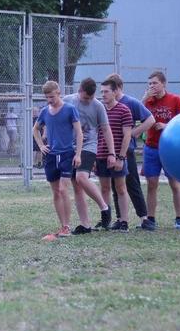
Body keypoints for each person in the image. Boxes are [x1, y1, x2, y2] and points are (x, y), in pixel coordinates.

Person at [33, 81, 83, 241]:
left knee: (63, 189)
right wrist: (41, 145)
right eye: (47, 97)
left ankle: (67, 226)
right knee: (55, 192)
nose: (50, 100)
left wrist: (78, 154)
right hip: (51, 156)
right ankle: (62, 225)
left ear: (59, 92)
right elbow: (35, 129)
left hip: (67, 154)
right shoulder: (44, 112)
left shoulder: (70, 109)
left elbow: (79, 133)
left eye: (52, 96)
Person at [64, 78, 114, 234]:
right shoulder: (68, 101)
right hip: (70, 147)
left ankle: (104, 208)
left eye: (91, 98)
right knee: (77, 187)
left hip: (89, 146)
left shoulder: (98, 106)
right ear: (79, 91)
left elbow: (106, 130)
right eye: (85, 98)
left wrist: (112, 153)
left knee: (81, 177)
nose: (88, 101)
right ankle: (85, 225)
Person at [106, 74, 154, 228]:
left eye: (112, 90)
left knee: (132, 183)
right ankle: (121, 219)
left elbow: (150, 119)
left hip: (127, 150)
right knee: (116, 185)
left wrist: (134, 132)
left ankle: (144, 218)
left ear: (118, 88)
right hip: (111, 151)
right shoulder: (107, 105)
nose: (107, 94)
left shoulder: (130, 102)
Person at [141, 71, 180, 230]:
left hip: (170, 149)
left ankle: (179, 218)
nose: (152, 86)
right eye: (150, 84)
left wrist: (167, 126)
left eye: (154, 83)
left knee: (174, 183)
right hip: (151, 147)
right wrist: (144, 98)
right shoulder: (148, 102)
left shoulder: (175, 100)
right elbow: (135, 114)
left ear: (163, 84)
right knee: (151, 183)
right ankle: (151, 218)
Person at [97, 78, 134, 232]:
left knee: (121, 188)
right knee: (104, 188)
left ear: (115, 92)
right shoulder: (99, 110)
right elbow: (96, 133)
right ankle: (106, 219)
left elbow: (127, 135)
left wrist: (121, 157)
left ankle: (123, 221)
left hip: (118, 156)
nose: (103, 95)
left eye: (106, 91)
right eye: (101, 92)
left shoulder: (124, 110)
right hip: (100, 156)